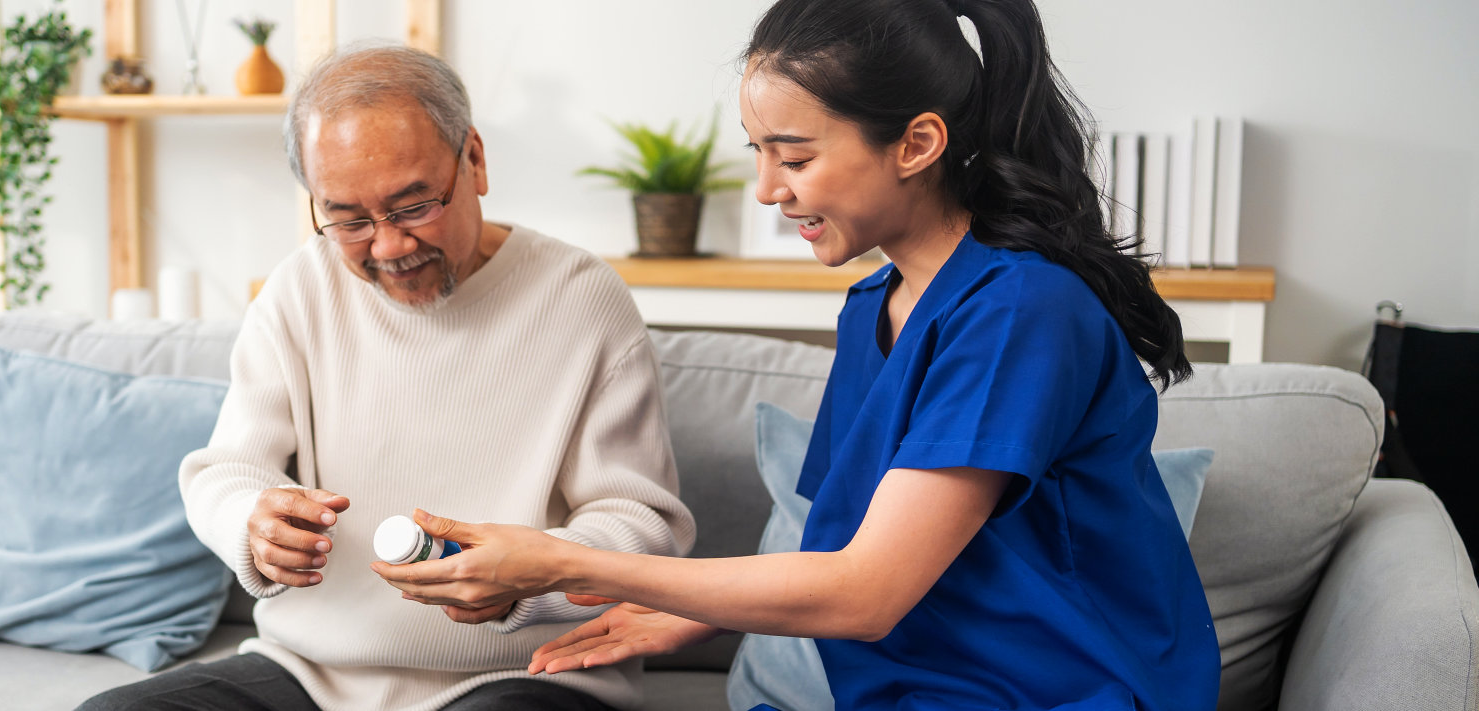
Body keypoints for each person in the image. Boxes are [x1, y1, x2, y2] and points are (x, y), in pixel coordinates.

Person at [372, 0, 1221, 708]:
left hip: (1066, 692)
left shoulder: (1021, 312)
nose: (770, 189)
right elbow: (838, 545)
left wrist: (564, 557)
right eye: (760, 153)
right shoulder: (873, 310)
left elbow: (865, 590)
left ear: (917, 144)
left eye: (796, 156)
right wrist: (697, 616)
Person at [77, 45, 695, 711]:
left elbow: (643, 521)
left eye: (414, 205)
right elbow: (227, 469)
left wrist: (530, 576)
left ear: (475, 160)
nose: (388, 246)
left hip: (529, 674)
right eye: (348, 219)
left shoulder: (580, 298)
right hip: (309, 673)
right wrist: (251, 520)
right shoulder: (299, 291)